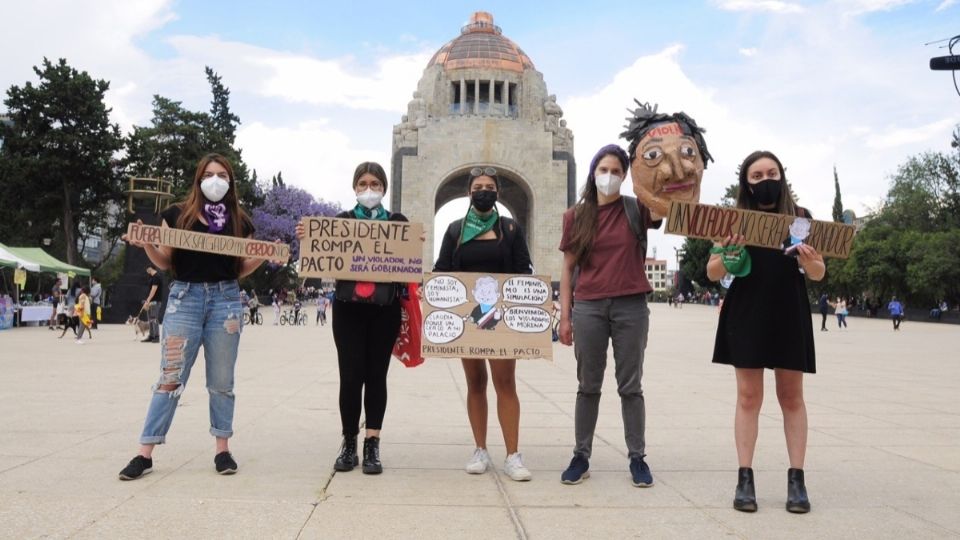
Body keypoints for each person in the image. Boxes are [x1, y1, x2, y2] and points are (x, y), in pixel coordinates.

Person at [117, 153, 266, 481]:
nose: (216, 180)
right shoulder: (176, 214)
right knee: (169, 377)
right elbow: (166, 262)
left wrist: (265, 257)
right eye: (209, 174)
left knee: (222, 382)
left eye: (222, 175)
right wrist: (146, 246)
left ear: (231, 181)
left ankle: (222, 449)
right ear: (199, 179)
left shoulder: (241, 221)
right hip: (185, 299)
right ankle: (145, 453)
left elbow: (241, 268)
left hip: (225, 302)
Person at [707, 150, 825, 514]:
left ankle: (797, 480)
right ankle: (745, 478)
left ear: (782, 176)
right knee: (747, 397)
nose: (764, 180)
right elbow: (712, 271)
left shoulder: (802, 219)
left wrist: (810, 261)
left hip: (789, 310)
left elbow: (819, 272)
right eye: (756, 176)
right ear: (746, 183)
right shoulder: (733, 221)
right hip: (747, 311)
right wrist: (727, 254)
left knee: (791, 397)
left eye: (770, 173)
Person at [557, 144, 660, 488]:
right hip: (589, 308)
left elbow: (669, 208)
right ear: (593, 172)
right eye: (604, 169)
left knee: (630, 387)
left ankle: (637, 458)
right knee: (588, 385)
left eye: (617, 171)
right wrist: (566, 317)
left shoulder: (636, 210)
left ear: (625, 176)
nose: (610, 177)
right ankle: (581, 455)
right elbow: (568, 267)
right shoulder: (576, 216)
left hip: (631, 306)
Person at [296, 161, 406, 475]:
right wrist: (307, 237)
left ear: (384, 187)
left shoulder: (398, 222)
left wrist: (416, 243)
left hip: (385, 309)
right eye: (362, 184)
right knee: (350, 376)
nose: (368, 189)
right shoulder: (341, 221)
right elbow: (320, 254)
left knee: (376, 376)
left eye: (374, 183)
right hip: (348, 309)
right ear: (355, 188)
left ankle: (373, 443)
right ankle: (349, 442)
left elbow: (408, 258)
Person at [432, 165, 533, 481]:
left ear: (497, 194)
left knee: (506, 382)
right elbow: (441, 271)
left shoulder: (511, 229)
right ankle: (480, 449)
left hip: (500, 319)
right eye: (478, 186)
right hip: (468, 319)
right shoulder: (454, 230)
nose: (484, 190)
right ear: (469, 193)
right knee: (475, 382)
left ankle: (513, 455)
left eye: (489, 186)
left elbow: (523, 271)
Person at [143, 266, 163, 343]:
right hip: (150, 301)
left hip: (155, 301)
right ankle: (151, 336)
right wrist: (147, 301)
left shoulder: (156, 277)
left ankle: (157, 336)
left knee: (154, 318)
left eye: (147, 270)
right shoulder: (152, 277)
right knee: (150, 319)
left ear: (150, 268)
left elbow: (153, 290)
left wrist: (147, 300)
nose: (147, 272)